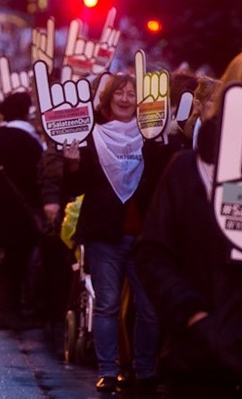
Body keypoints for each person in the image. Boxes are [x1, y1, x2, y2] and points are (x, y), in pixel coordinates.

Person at [135, 45, 242, 397]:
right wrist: (194, 316)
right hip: (197, 362)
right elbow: (153, 254)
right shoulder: (188, 170)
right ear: (230, 95)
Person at [62, 73, 170, 394]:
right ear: (108, 99)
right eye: (119, 93)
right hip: (103, 236)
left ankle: (144, 369)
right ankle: (108, 371)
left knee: (149, 308)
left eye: (131, 93)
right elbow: (75, 188)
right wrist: (71, 164)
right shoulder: (92, 136)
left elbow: (165, 180)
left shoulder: (152, 137)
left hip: (145, 238)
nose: (125, 98)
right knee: (107, 305)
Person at [0, 91, 45, 330]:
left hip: (1, 209)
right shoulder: (27, 138)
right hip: (21, 211)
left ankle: (10, 309)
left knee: (10, 262)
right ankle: (9, 311)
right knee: (16, 262)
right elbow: (34, 176)